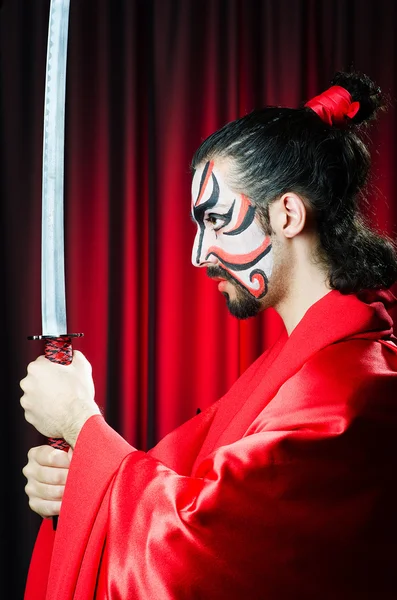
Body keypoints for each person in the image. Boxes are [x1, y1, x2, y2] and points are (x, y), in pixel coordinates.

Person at [20, 71, 397, 599]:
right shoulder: (304, 359)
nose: (199, 254)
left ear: (287, 214)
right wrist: (79, 484)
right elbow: (185, 487)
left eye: (217, 221)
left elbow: (199, 551)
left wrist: (79, 423)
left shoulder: (352, 388)